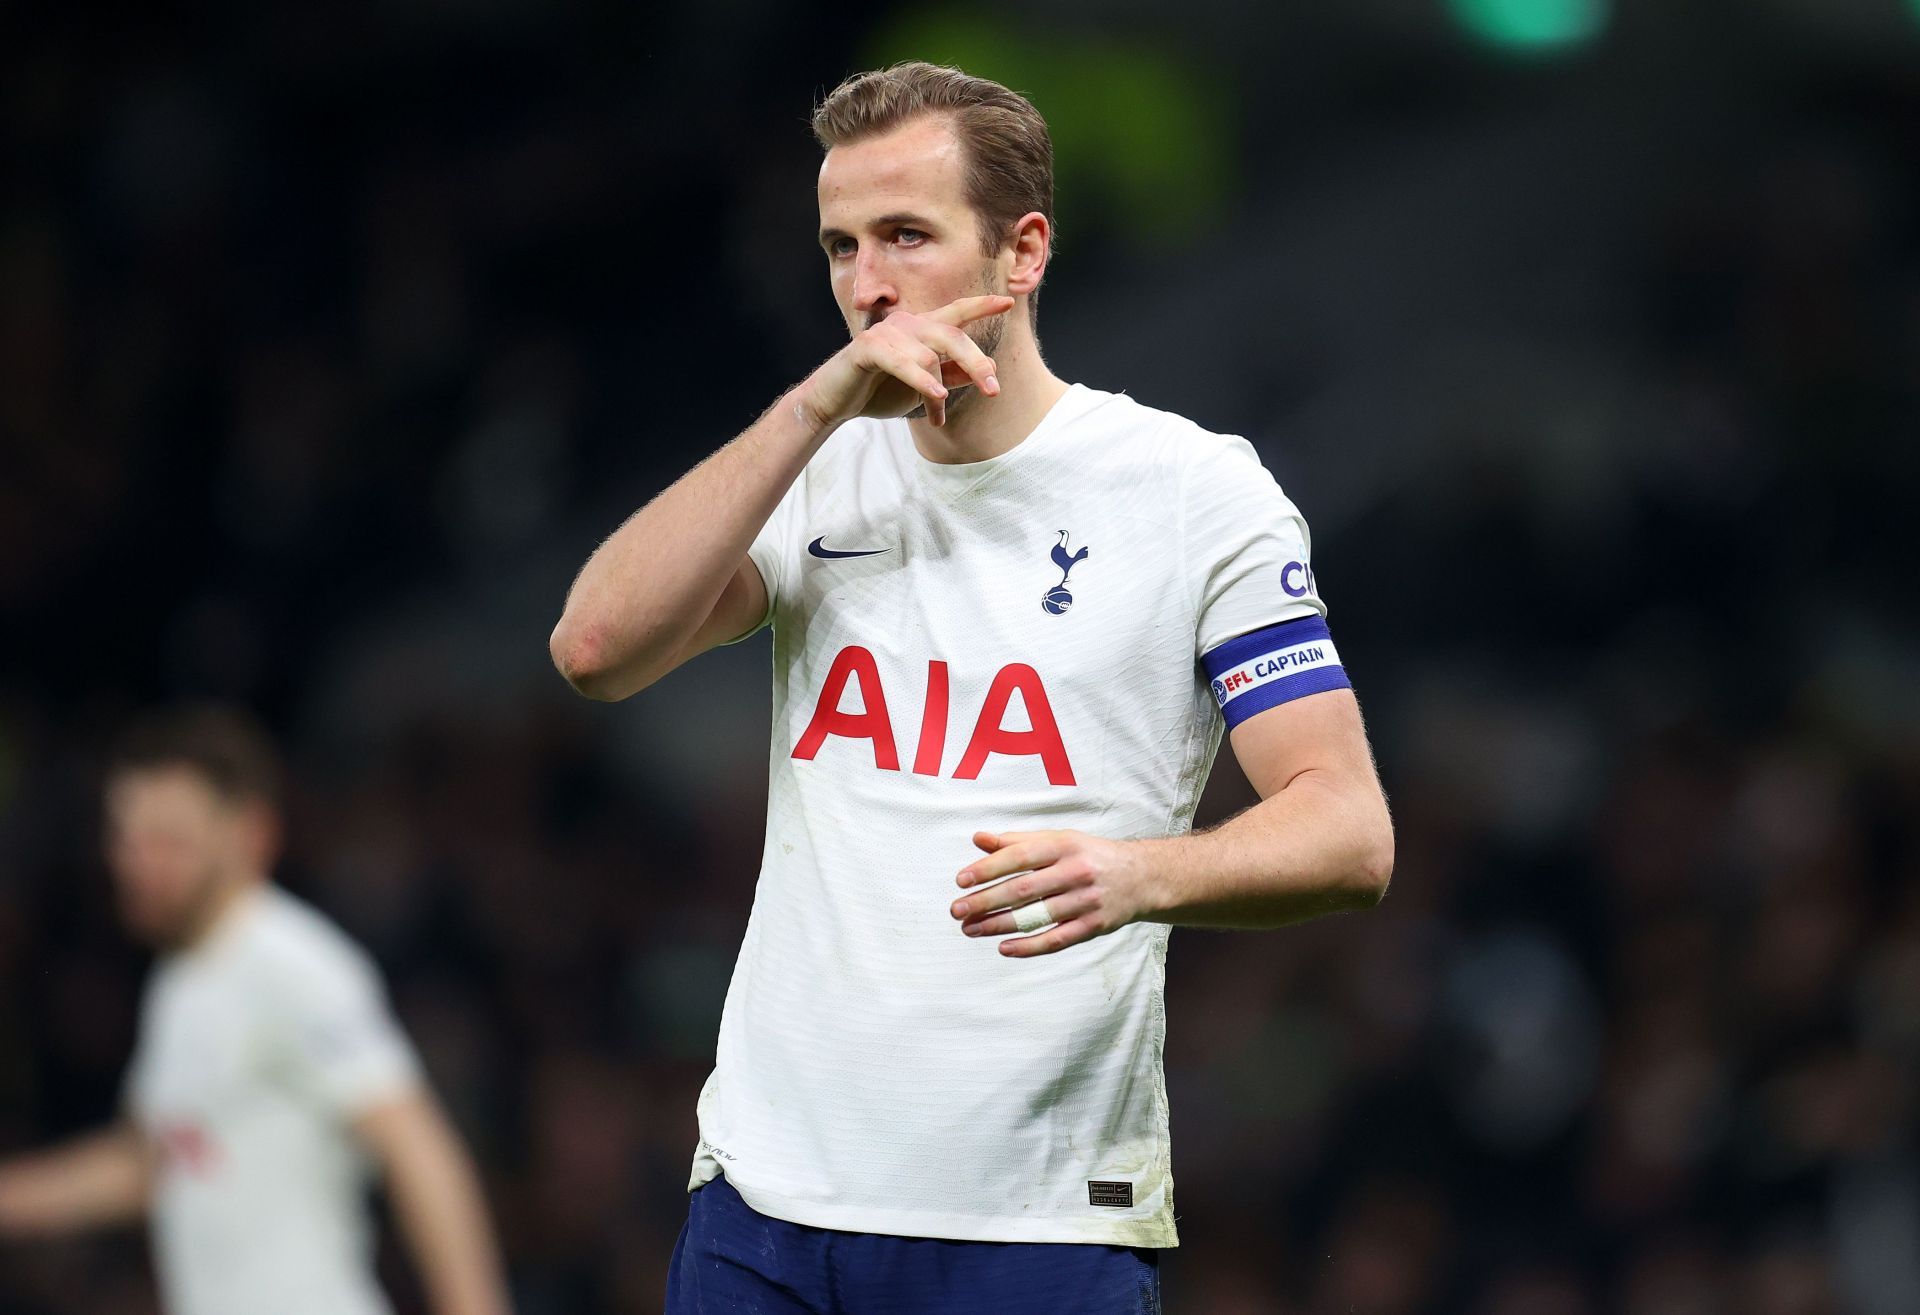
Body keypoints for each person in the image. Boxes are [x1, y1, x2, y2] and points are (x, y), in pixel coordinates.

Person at [550, 61, 1395, 1313]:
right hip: (764, 1206)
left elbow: (1349, 829)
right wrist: (816, 408)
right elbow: (596, 648)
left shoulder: (1191, 492)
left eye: (905, 236)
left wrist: (1137, 873)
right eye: (840, 246)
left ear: (1023, 253)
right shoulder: (817, 469)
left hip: (1035, 1222)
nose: (866, 284)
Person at [0, 704, 512, 1315]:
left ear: (251, 835)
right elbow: (152, 1163)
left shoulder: (291, 962)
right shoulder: (183, 978)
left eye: (169, 840)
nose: (138, 863)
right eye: (126, 838)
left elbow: (418, 1150)